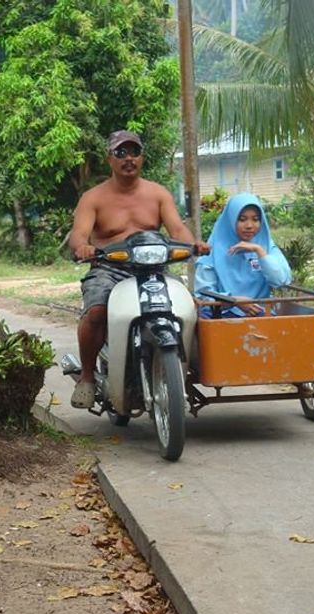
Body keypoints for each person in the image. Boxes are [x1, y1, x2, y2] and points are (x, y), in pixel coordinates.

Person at [68, 129, 210, 408]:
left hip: (154, 268)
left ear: (142, 157)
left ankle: (189, 369)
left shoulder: (157, 193)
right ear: (110, 159)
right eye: (121, 152)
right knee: (96, 310)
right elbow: (78, 234)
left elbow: (177, 228)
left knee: (190, 307)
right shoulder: (93, 198)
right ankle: (86, 377)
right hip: (110, 268)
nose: (128, 158)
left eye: (134, 152)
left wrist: (194, 244)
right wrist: (82, 247)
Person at [194, 192, 291, 317]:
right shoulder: (213, 250)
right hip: (221, 314)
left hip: (258, 312)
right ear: (231, 220)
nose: (249, 226)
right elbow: (203, 293)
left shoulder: (266, 246)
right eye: (242, 219)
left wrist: (259, 251)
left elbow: (280, 280)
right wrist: (233, 301)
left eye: (255, 219)